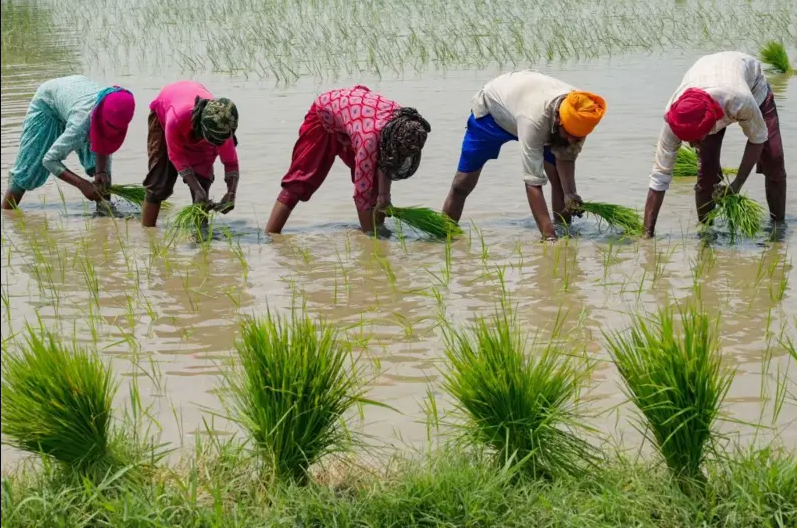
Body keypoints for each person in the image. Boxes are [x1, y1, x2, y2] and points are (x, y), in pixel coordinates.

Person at [441, 70, 606, 240]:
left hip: (534, 115)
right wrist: (549, 238)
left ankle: (565, 231)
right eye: (570, 134)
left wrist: (570, 193)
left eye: (577, 137)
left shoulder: (582, 114)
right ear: (558, 119)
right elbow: (532, 183)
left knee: (558, 181)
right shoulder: (534, 119)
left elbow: (566, 157)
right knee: (461, 184)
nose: (573, 139)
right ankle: (444, 234)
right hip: (492, 115)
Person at [643, 51, 786, 237]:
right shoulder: (674, 118)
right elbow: (659, 177)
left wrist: (737, 184)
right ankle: (707, 232)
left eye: (696, 139)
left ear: (711, 124)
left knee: (774, 158)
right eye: (689, 141)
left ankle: (778, 229)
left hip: (750, 83)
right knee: (707, 171)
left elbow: (758, 138)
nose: (693, 146)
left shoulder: (739, 100)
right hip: (706, 75)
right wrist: (647, 234)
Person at [265, 85, 431, 234]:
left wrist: (384, 196)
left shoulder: (405, 122)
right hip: (324, 116)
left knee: (374, 185)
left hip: (355, 117)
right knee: (300, 182)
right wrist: (370, 240)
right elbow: (361, 196)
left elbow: (386, 159)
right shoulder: (369, 141)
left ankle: (379, 229)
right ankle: (270, 237)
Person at [2, 75, 135, 210]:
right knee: (27, 169)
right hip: (48, 104)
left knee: (103, 172)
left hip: (75, 94)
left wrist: (101, 171)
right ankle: (7, 213)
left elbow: (104, 142)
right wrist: (81, 184)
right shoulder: (81, 125)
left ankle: (105, 213)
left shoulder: (117, 109)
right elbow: (49, 160)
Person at [142, 81, 240, 227]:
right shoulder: (176, 118)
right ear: (202, 130)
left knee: (203, 182)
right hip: (166, 112)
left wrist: (231, 193)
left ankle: (201, 237)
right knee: (159, 183)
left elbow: (231, 163)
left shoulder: (222, 126)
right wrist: (195, 188)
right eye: (213, 140)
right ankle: (148, 232)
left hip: (201, 126)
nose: (218, 145)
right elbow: (176, 156)